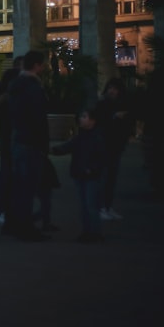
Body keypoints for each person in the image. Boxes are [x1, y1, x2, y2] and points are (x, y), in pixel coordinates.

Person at [6, 50, 51, 241]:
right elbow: (38, 117)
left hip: (18, 138)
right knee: (28, 187)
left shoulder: (16, 84)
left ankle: (14, 224)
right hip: (30, 141)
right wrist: (43, 143)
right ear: (37, 66)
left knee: (19, 186)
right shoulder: (33, 87)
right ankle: (26, 227)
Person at [51, 107, 106, 243]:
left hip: (90, 175)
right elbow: (67, 147)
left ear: (92, 120)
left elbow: (101, 157)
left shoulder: (96, 137)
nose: (81, 119)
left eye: (84, 117)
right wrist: (53, 150)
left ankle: (94, 233)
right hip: (81, 174)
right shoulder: (81, 136)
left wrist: (92, 169)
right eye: (81, 116)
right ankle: (88, 232)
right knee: (85, 205)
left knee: (90, 205)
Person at [0, 57, 22, 225]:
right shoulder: (7, 96)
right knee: (8, 173)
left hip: (12, 137)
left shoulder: (10, 95)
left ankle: (8, 210)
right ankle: (5, 210)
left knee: (10, 173)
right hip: (10, 137)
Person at [94, 77, 133, 221]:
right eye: (110, 88)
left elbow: (128, 123)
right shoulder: (103, 104)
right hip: (105, 144)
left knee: (111, 178)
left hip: (116, 145)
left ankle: (107, 207)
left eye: (114, 88)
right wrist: (114, 116)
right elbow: (99, 120)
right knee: (104, 177)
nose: (112, 91)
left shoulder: (122, 104)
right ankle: (101, 207)